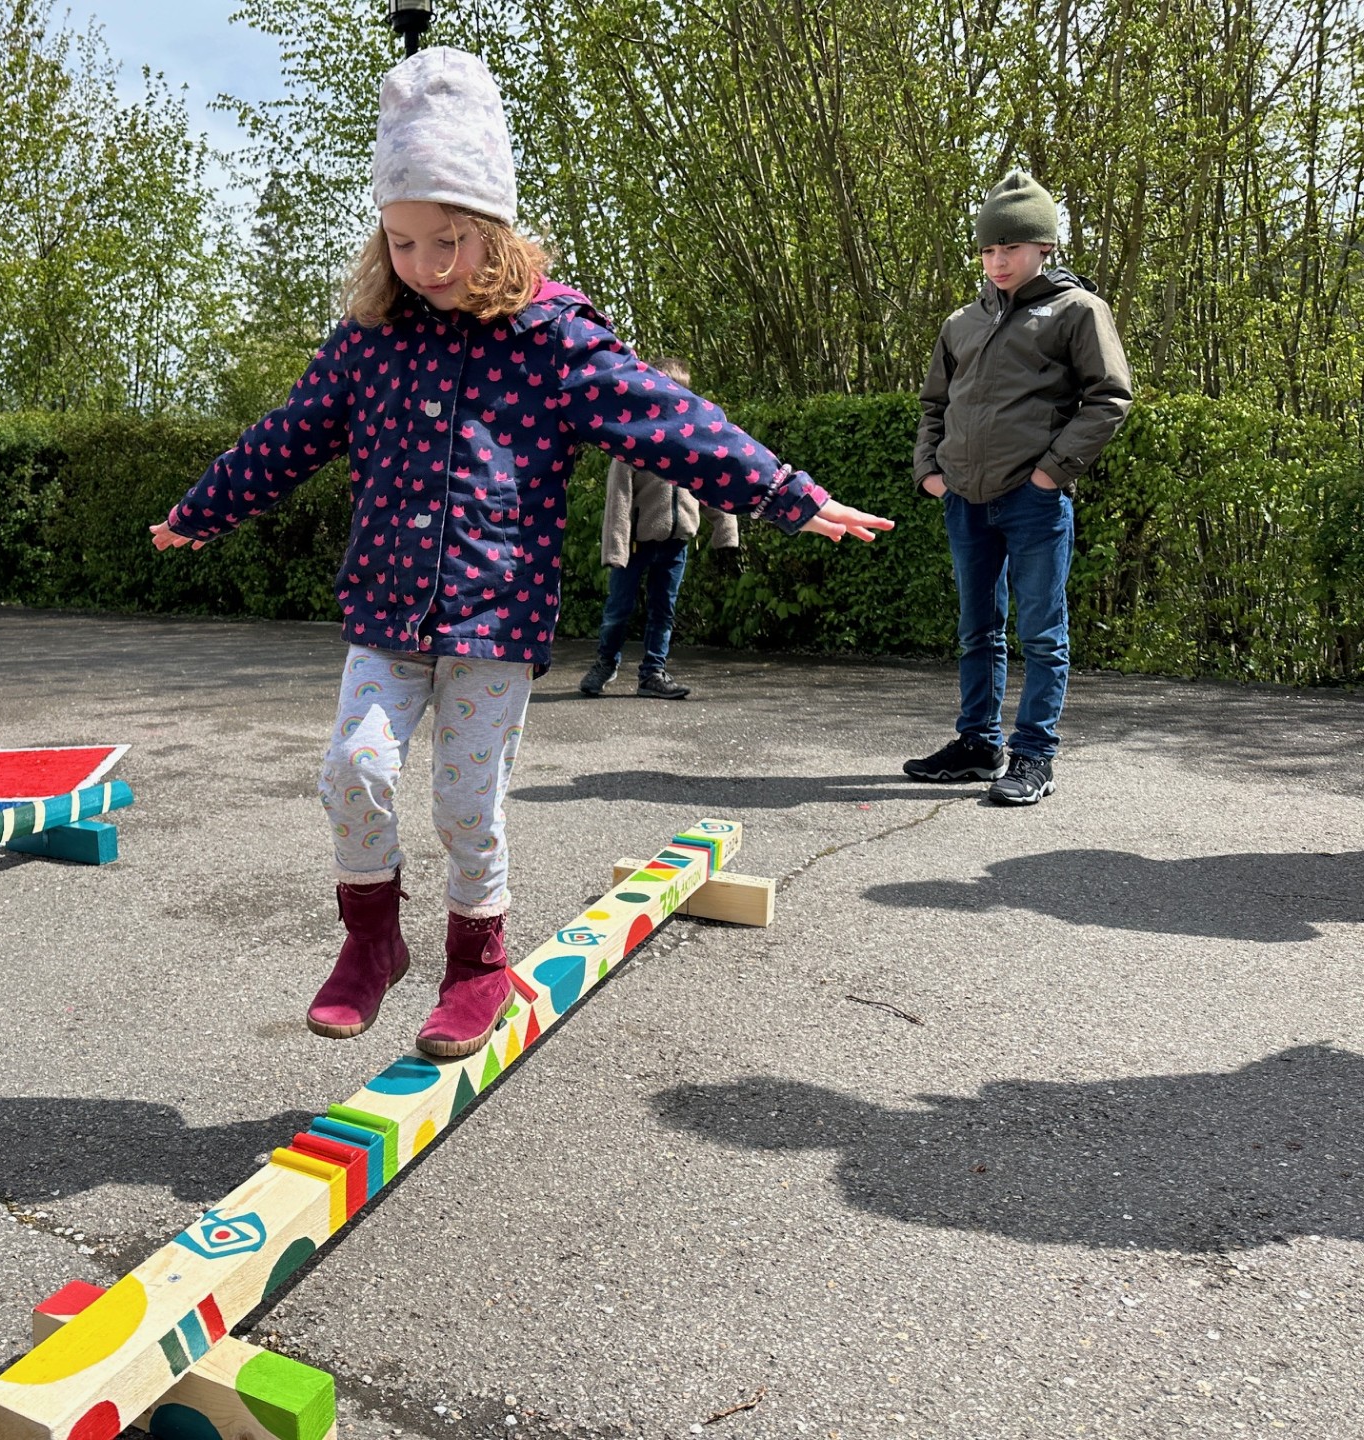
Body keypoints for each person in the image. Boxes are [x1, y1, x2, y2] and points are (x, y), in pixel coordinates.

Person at [152, 48, 892, 1059]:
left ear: (492, 229)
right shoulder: (370, 340)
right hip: (385, 610)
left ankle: (477, 963)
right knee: (353, 771)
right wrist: (204, 509)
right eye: (404, 242)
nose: (428, 267)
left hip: (495, 620)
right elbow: (284, 438)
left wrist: (784, 493)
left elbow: (672, 421)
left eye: (449, 241)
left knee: (466, 800)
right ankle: (372, 944)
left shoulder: (553, 339)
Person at [905, 170, 1132, 805]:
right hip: (964, 501)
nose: (998, 261)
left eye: (1011, 247)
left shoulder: (1078, 311)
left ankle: (1033, 756)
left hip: (1033, 503)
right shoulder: (961, 323)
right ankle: (978, 745)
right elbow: (933, 405)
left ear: (1045, 247)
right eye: (988, 249)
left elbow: (1109, 400)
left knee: (1041, 634)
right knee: (977, 631)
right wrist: (931, 472)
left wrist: (1048, 475)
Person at [579, 356, 739, 700]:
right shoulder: (632, 441)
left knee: (663, 611)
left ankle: (652, 673)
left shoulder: (692, 443)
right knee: (618, 611)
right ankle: (605, 663)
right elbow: (618, 498)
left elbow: (709, 484)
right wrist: (616, 549)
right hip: (635, 543)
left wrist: (725, 528)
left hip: (675, 542)